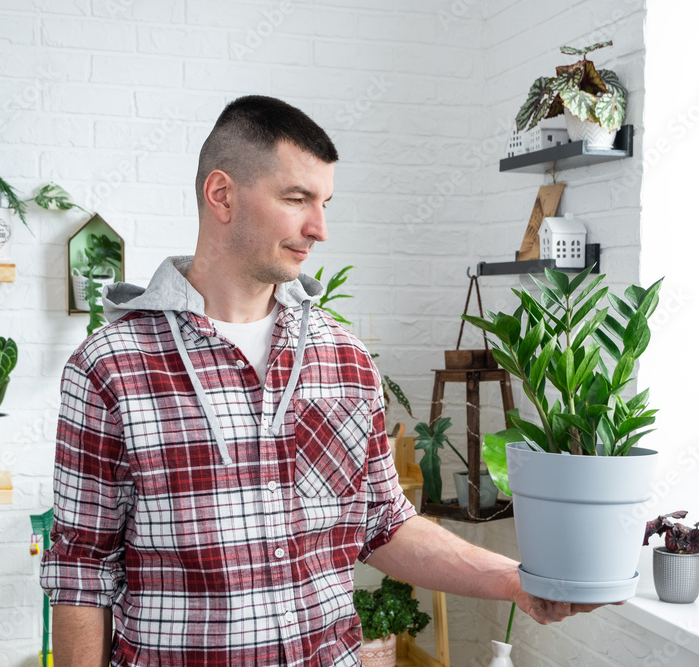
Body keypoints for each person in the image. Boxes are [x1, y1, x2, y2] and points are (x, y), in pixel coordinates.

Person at [41, 95, 611, 667]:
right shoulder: (111, 365)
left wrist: (514, 580)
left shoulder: (343, 356)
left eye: (325, 202)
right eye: (297, 199)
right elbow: (82, 571)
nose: (320, 228)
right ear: (222, 195)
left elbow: (382, 523)